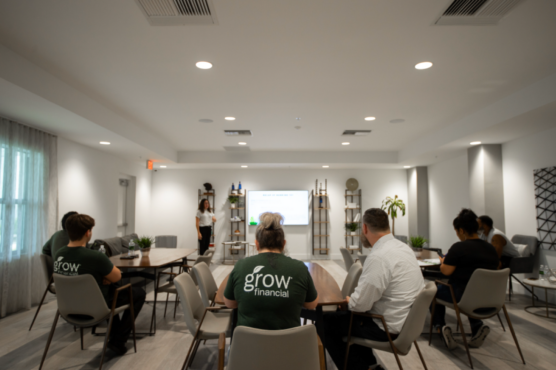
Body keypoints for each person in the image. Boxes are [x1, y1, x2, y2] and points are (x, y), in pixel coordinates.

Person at [324, 208, 425, 370]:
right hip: (406, 324)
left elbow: (359, 305)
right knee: (347, 318)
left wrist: (350, 301)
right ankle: (370, 365)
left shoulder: (379, 256)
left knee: (326, 322)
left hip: (386, 327)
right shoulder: (404, 248)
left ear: (365, 228)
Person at [53, 214, 145, 355]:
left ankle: (114, 337)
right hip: (95, 308)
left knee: (112, 291)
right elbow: (117, 276)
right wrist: (106, 277)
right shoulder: (95, 256)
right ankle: (118, 342)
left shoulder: (59, 255)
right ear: (88, 233)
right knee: (137, 293)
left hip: (68, 309)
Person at [223, 212, 319, 330]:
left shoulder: (241, 265)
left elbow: (230, 303)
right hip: (289, 346)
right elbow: (311, 304)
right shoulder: (300, 268)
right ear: (283, 244)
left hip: (248, 346)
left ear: (257, 244)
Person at [432, 209, 499, 350]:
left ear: (461, 230)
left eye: (456, 231)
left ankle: (441, 328)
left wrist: (444, 261)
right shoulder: (490, 249)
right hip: (490, 299)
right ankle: (477, 328)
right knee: (473, 290)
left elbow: (445, 271)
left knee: (432, 291)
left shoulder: (458, 248)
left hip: (464, 297)